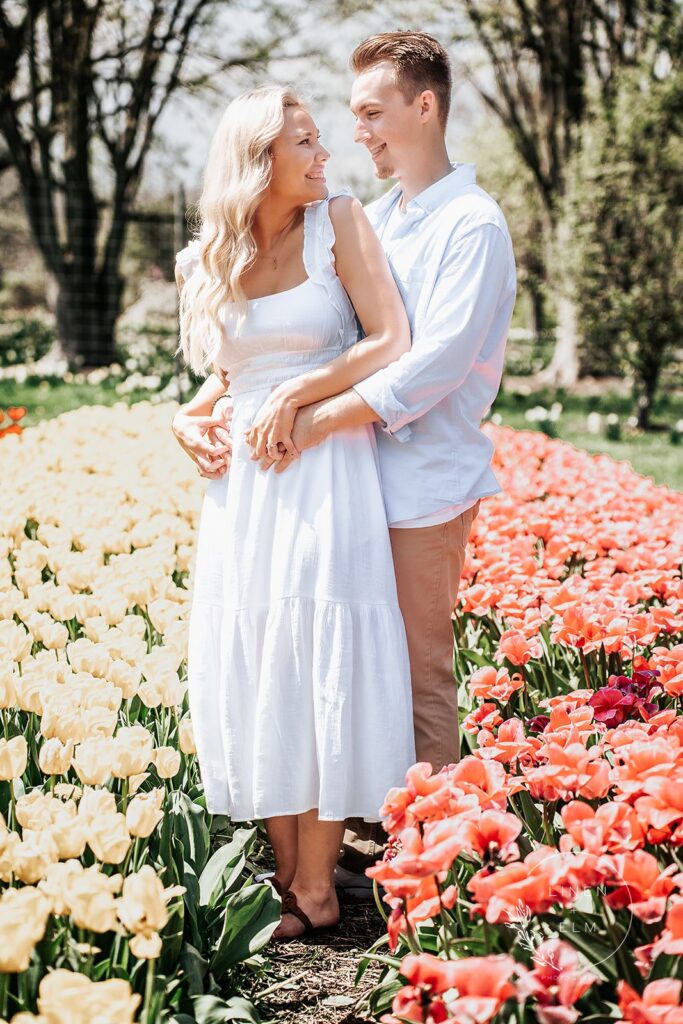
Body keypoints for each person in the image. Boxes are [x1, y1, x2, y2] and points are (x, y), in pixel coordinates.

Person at [175, 31, 517, 891]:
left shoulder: (469, 224)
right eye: (347, 117)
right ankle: (384, 855)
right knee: (345, 668)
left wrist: (311, 413)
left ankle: (435, 883)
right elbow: (293, 343)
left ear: (423, 106)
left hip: (418, 480)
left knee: (418, 680)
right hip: (349, 477)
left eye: (370, 113)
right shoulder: (392, 211)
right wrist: (213, 407)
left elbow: (425, 361)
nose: (353, 132)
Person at [174, 85, 416, 939]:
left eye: (320, 139)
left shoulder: (339, 220)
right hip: (242, 486)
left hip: (322, 466)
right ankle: (288, 882)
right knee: (262, 657)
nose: (325, 155)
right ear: (258, 160)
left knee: (319, 651)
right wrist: (184, 416)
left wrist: (300, 398)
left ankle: (316, 886)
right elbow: (232, 371)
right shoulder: (212, 254)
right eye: (305, 143)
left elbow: (388, 338)